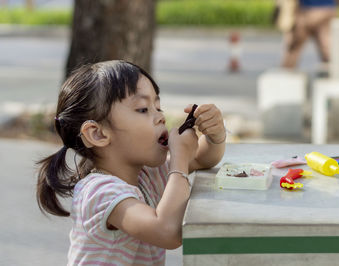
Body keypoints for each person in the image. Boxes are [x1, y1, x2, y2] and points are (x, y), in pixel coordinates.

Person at [36, 60, 226, 266]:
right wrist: (179, 159)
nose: (160, 118)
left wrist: (215, 134)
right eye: (143, 109)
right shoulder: (100, 192)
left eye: (158, 107)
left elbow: (202, 158)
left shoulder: (146, 173)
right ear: (98, 134)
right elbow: (167, 232)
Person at [281, 0, 338, 69]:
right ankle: (333, 72)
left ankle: (286, 72)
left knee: (294, 47)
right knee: (326, 46)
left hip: (308, 10)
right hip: (328, 8)